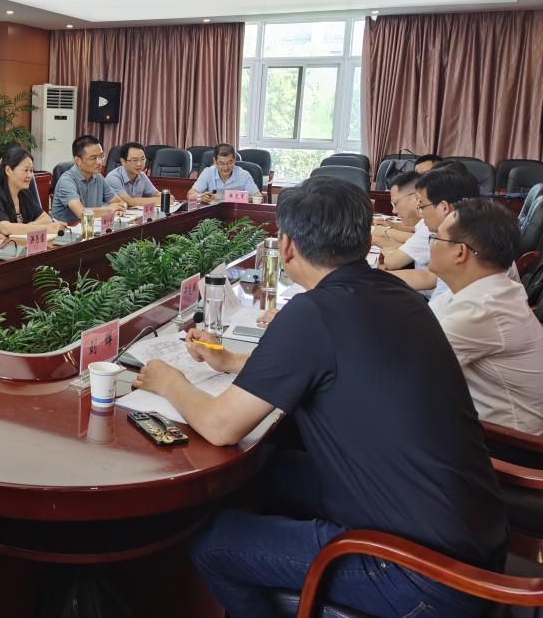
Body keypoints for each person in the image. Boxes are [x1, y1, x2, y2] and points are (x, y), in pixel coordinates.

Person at [134, 176, 507, 618]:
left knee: (212, 543)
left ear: (287, 246)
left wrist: (169, 381)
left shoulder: (312, 312)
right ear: (365, 239)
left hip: (419, 572)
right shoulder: (399, 294)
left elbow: (220, 427)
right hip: (474, 536)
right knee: (271, 471)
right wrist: (233, 362)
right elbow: (338, 362)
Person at [428, 198, 543, 434]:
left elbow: (409, 369)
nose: (431, 245)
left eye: (436, 238)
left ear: (460, 252)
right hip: (477, 420)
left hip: (508, 442)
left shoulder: (483, 309)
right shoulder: (484, 288)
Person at [391, 165, 480, 296]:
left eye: (422, 206)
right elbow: (429, 278)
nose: (421, 213)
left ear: (444, 207)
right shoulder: (465, 235)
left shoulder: (461, 247)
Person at [0, 145, 66, 236]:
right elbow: (5, 229)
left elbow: (46, 219)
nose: (30, 175)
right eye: (25, 170)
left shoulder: (23, 193)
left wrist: (27, 227)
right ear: (8, 170)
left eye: (31, 171)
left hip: (16, 244)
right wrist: (44, 228)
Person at [50, 135, 127, 224]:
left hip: (91, 226)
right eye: (94, 158)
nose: (100, 162)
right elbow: (81, 213)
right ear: (78, 160)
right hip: (67, 229)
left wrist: (121, 208)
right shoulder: (66, 181)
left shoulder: (98, 177)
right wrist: (110, 209)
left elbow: (120, 202)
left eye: (101, 156)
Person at [376, 170, 427, 268]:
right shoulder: (424, 224)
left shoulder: (430, 228)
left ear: (416, 198)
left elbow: (391, 262)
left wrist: (385, 232)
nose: (394, 211)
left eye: (395, 203)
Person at [188, 143, 258, 202]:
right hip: (214, 212)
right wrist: (200, 197)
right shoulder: (208, 172)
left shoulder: (244, 175)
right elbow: (190, 195)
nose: (225, 168)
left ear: (234, 160)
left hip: (237, 211)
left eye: (229, 163)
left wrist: (239, 198)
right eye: (221, 163)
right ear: (215, 161)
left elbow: (259, 197)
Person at [104, 142, 162, 206]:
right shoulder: (113, 178)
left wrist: (166, 196)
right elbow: (129, 202)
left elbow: (156, 193)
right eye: (134, 160)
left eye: (142, 159)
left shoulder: (141, 175)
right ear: (123, 161)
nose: (139, 164)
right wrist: (162, 199)